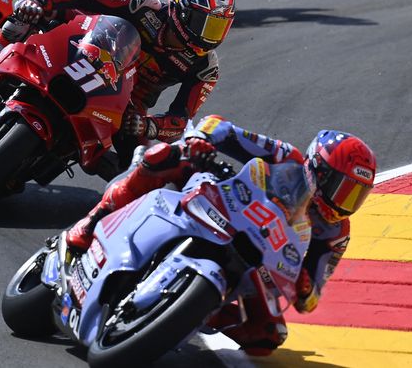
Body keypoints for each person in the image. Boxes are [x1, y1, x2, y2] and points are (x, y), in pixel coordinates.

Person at [66, 115, 377, 355]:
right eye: (342, 189)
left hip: (260, 259)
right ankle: (95, 219)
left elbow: (310, 300)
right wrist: (203, 138)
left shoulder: (337, 232)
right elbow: (221, 128)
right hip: (222, 203)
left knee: (269, 336)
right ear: (318, 169)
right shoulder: (286, 156)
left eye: (355, 196)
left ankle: (194, 314)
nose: (344, 203)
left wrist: (305, 286)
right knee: (166, 156)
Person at [0, 0, 236, 167]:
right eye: (206, 23)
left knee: (150, 162)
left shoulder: (205, 67)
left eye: (219, 26)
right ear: (181, 8)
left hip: (126, 106)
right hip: (88, 55)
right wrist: (43, 0)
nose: (210, 36)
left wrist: (149, 126)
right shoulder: (143, 6)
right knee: (29, 15)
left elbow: (181, 119)